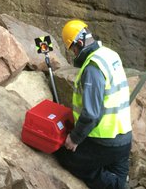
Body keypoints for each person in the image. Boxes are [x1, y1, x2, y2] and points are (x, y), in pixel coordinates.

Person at [54, 19, 133, 189]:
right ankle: (119, 182)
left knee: (64, 155)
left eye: (73, 49)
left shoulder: (92, 68)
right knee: (119, 176)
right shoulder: (110, 54)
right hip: (125, 139)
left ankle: (115, 184)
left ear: (80, 43)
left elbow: (91, 114)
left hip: (104, 142)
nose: (74, 54)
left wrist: (74, 139)